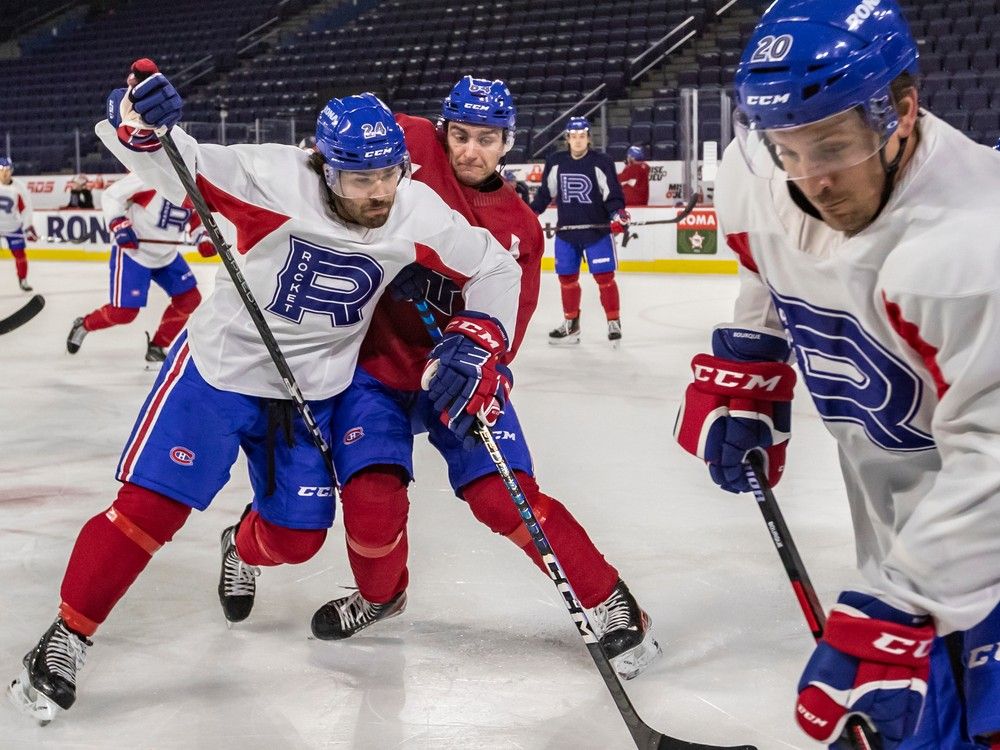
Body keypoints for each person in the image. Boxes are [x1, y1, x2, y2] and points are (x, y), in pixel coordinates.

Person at [7, 58, 521, 724]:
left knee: (298, 536)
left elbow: (495, 267)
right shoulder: (274, 177)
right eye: (359, 178)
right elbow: (170, 159)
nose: (378, 193)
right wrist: (139, 115)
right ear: (324, 167)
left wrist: (476, 336)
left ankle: (237, 545)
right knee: (150, 509)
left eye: (389, 175)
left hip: (312, 393)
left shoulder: (414, 207)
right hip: (220, 372)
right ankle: (67, 636)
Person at [674, 2, 1000, 748]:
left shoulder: (974, 245)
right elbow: (768, 255)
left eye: (831, 146)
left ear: (902, 112)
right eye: (788, 149)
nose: (810, 178)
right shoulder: (756, 172)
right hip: (902, 528)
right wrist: (752, 359)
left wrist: (904, 601)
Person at [279, 75, 659, 682]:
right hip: (373, 369)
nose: (469, 151)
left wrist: (480, 365)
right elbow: (325, 159)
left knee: (503, 497)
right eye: (459, 135)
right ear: (441, 129)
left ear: (508, 141)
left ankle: (613, 602)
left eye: (486, 139)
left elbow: (508, 327)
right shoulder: (406, 140)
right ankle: (381, 596)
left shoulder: (520, 228)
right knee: (371, 501)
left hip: (457, 376)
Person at [65, 171, 209, 362]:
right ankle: (84, 325)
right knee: (124, 313)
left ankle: (157, 346)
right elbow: (111, 195)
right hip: (135, 254)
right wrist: (119, 224)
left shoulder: (194, 187)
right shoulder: (150, 176)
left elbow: (197, 220)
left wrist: (203, 238)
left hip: (166, 256)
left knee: (189, 299)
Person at [529, 117, 629, 346]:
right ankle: (571, 325)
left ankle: (613, 321)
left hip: (597, 233)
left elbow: (612, 195)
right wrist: (530, 213)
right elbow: (546, 194)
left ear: (588, 138)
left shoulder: (601, 161)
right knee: (566, 280)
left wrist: (618, 214)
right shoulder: (556, 161)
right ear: (567, 139)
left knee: (604, 278)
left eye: (582, 136)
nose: (577, 141)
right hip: (567, 233)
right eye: (573, 137)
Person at [0, 156, 37, 291]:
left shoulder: (19, 188)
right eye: (1, 169)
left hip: (12, 226)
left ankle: (23, 280)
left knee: (20, 254)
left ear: (12, 171)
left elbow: (26, 209)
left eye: (7, 169)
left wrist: (28, 227)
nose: (4, 172)